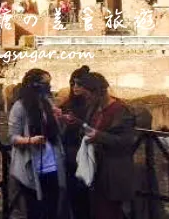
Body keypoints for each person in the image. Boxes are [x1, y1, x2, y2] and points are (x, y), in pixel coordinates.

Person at [8, 69, 66, 219]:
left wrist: (59, 118)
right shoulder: (19, 107)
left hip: (52, 164)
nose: (49, 87)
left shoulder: (47, 103)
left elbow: (56, 133)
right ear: (34, 85)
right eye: (45, 83)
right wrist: (30, 140)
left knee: (52, 209)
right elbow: (13, 138)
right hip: (32, 167)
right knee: (34, 210)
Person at [81, 71, 136, 219]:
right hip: (98, 172)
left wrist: (99, 136)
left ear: (99, 93)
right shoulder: (94, 108)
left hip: (113, 174)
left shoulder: (121, 110)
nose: (87, 99)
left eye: (88, 95)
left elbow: (125, 142)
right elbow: (91, 129)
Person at [60, 65, 93, 219]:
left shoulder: (92, 105)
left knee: (85, 197)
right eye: (72, 83)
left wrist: (78, 122)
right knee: (73, 195)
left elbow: (93, 129)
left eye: (79, 84)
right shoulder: (67, 104)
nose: (75, 87)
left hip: (86, 155)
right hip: (69, 154)